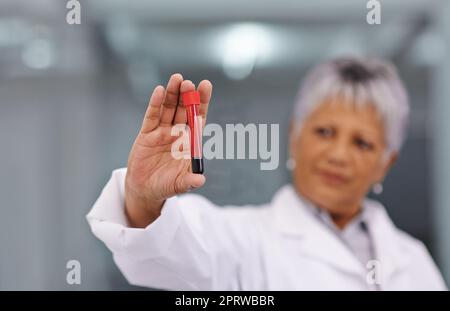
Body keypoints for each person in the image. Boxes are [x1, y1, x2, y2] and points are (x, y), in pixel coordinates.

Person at [87, 57, 447, 290]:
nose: (339, 154)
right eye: (325, 132)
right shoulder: (243, 239)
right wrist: (144, 198)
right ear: (294, 136)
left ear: (387, 162)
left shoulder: (412, 259)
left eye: (362, 143)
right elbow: (170, 248)